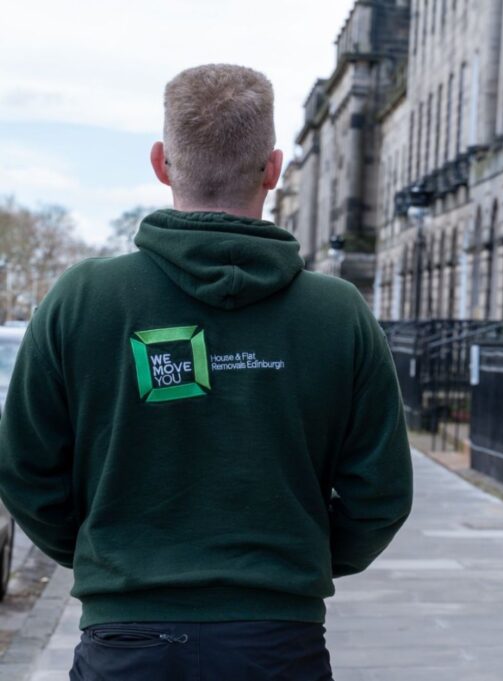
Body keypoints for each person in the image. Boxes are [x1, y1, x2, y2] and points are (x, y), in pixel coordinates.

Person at [0, 64, 413, 680]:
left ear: (163, 162)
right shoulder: (337, 313)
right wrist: (295, 560)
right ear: (273, 169)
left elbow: (24, 469)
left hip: (124, 640)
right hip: (277, 641)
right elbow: (379, 494)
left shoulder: (83, 298)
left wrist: (105, 552)